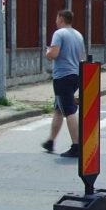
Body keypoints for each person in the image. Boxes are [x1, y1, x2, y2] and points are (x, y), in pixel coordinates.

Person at [42, 9, 85, 157]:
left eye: (56, 18)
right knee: (59, 109)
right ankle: (51, 141)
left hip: (63, 76)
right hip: (76, 75)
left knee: (68, 110)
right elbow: (82, 56)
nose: (55, 21)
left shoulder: (59, 34)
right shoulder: (78, 35)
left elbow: (54, 54)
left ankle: (77, 146)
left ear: (61, 18)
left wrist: (48, 52)